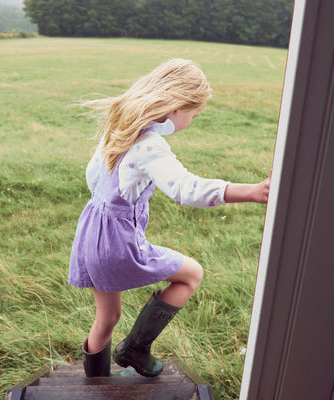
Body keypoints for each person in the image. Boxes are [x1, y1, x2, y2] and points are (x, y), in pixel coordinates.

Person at [68, 58, 271, 378]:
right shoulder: (149, 145)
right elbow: (186, 189)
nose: (193, 119)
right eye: (194, 113)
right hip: (116, 243)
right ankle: (135, 348)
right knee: (191, 275)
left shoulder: (120, 129)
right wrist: (252, 191)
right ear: (176, 107)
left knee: (106, 319)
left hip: (90, 234)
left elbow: (93, 176)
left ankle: (94, 384)